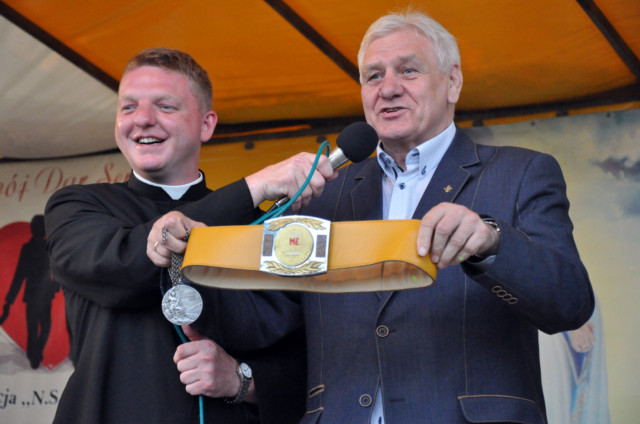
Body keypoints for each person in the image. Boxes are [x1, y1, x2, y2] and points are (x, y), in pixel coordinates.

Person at [148, 11, 595, 424]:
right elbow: (264, 318)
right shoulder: (325, 193)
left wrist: (491, 243)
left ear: (453, 82)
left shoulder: (520, 173)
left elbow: (570, 304)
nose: (389, 88)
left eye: (409, 70)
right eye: (373, 76)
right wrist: (193, 258)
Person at [44, 48, 333, 424]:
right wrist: (254, 187)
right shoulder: (78, 205)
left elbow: (301, 362)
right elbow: (120, 267)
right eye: (129, 107)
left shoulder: (261, 226)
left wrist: (241, 380)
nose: (142, 119)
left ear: (206, 125)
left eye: (165, 106)